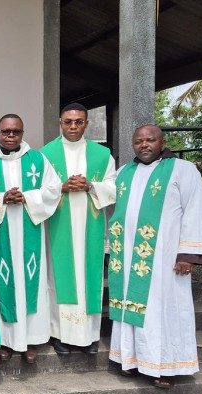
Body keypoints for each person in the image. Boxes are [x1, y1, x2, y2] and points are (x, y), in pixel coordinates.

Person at [108, 124, 202, 389]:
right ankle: (130, 360)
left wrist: (188, 254)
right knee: (132, 308)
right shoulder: (124, 172)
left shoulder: (183, 170)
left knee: (163, 313)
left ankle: (165, 367)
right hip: (130, 258)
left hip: (166, 260)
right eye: (139, 141)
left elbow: (194, 211)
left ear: (162, 142)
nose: (144, 145)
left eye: (150, 140)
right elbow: (105, 197)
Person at [0, 114, 61, 363]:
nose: (10, 136)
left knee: (29, 282)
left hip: (29, 231)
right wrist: (2, 198)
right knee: (1, 282)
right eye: (5, 131)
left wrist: (27, 197)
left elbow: (54, 189)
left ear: (22, 133)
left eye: (16, 131)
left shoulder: (37, 159)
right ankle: (4, 341)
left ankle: (30, 341)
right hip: (0, 232)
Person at [40, 103, 116, 356]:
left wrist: (91, 185)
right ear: (60, 122)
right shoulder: (45, 154)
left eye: (79, 122)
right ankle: (59, 334)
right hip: (58, 226)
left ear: (86, 123)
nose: (73, 126)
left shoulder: (102, 155)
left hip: (89, 228)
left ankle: (89, 336)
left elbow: (115, 188)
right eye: (68, 122)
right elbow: (38, 190)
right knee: (58, 277)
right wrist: (60, 187)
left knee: (88, 277)